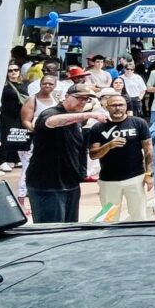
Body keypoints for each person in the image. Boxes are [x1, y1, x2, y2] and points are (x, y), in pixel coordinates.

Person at [27, 85, 108, 223]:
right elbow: (51, 121)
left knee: (70, 229)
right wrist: (89, 114)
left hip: (70, 182)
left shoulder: (77, 121)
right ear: (66, 96)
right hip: (48, 184)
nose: (82, 102)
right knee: (51, 230)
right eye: (79, 98)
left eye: (86, 100)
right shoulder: (51, 112)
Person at [89, 94, 153, 221]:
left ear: (126, 106)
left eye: (121, 105)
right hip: (108, 180)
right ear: (106, 107)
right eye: (113, 105)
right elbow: (93, 155)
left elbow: (148, 149)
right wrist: (108, 146)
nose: (117, 108)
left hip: (135, 178)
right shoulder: (98, 127)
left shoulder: (138, 123)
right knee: (109, 218)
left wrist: (149, 174)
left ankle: (139, 239)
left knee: (139, 217)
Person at [17, 75, 59, 213]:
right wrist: (36, 129)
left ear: (55, 85)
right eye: (44, 83)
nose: (47, 86)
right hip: (32, 141)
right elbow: (25, 121)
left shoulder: (56, 100)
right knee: (27, 169)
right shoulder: (32, 100)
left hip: (49, 140)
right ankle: (21, 202)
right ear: (40, 84)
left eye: (50, 84)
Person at [0, 64, 29, 172]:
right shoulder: (3, 86)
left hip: (19, 114)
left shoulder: (24, 84)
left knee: (18, 136)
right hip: (6, 115)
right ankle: (2, 161)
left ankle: (15, 158)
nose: (13, 72)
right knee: (5, 137)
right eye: (10, 71)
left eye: (16, 70)